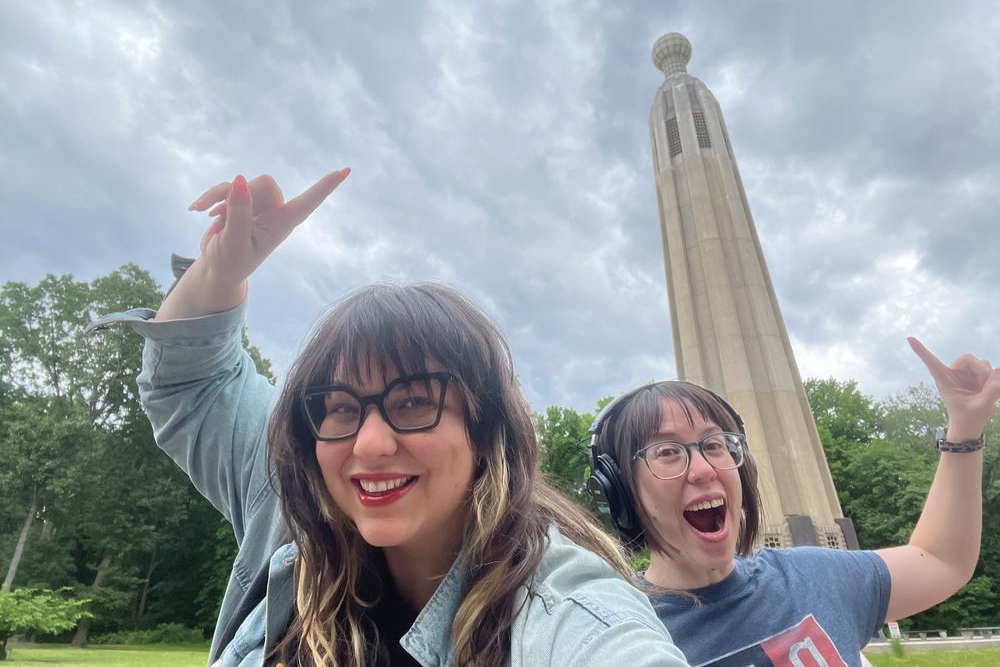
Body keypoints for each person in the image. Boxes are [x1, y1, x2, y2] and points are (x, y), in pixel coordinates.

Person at [89, 172, 688, 667]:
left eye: (413, 402)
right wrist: (218, 273)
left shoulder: (564, 609)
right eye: (342, 407)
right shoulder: (290, 492)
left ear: (484, 430)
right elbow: (189, 383)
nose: (369, 445)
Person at [589, 343, 999, 667]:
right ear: (621, 491)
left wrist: (964, 426)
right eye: (667, 452)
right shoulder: (611, 635)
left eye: (715, 445)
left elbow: (941, 560)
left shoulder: (812, 576)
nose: (702, 469)